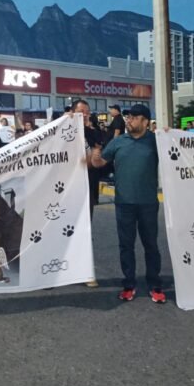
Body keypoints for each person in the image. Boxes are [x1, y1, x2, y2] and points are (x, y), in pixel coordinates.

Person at [91, 104, 165, 303]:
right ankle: (129, 284)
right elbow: (100, 163)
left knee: (151, 245)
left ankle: (155, 285)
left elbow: (177, 153)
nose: (129, 120)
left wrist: (169, 135)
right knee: (126, 245)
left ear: (145, 122)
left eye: (134, 117)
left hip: (148, 203)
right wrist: (95, 157)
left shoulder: (156, 141)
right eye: (128, 117)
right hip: (124, 203)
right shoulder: (118, 142)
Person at [71, 100, 103, 288]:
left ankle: (85, 271)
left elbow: (97, 158)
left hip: (87, 187)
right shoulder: (61, 132)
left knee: (85, 229)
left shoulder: (92, 133)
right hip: (65, 190)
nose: (85, 115)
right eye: (81, 111)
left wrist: (95, 157)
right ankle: (53, 270)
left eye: (87, 112)